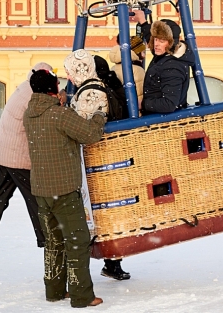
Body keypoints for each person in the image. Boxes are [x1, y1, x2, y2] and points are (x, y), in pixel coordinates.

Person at [24, 68, 105, 307]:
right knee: (77, 241)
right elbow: (90, 133)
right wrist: (100, 116)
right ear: (52, 89)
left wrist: (58, 102)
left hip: (40, 190)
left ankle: (54, 290)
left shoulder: (29, 114)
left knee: (53, 242)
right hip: (64, 189)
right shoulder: (58, 115)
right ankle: (82, 296)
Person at [0, 61, 54, 261]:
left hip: (2, 153)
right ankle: (47, 240)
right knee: (36, 199)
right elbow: (47, 114)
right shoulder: (34, 94)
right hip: (16, 157)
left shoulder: (24, 88)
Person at [66, 51, 132, 281]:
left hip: (96, 159)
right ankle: (112, 261)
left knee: (102, 213)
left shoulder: (91, 92)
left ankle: (108, 259)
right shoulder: (98, 86)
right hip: (105, 158)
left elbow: (80, 128)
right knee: (106, 211)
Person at [140, 19, 195, 114]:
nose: (156, 44)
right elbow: (153, 41)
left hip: (159, 122)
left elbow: (169, 104)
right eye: (155, 39)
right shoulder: (165, 54)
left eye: (161, 41)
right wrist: (143, 22)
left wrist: (143, 104)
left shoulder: (173, 67)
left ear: (171, 43)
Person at [108, 35, 145, 102]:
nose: (144, 56)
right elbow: (140, 95)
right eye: (142, 52)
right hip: (133, 108)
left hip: (119, 108)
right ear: (136, 53)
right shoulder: (137, 69)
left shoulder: (113, 68)